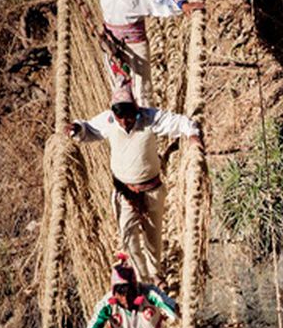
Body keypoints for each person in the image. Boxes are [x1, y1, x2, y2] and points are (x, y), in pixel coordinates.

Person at [66, 82, 203, 282]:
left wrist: (192, 135)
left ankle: (155, 274)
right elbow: (88, 129)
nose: (124, 122)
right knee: (128, 237)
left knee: (153, 238)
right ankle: (143, 278)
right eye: (120, 117)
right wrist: (76, 128)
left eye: (128, 117)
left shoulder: (149, 118)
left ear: (136, 110)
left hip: (151, 189)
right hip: (125, 193)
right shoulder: (109, 120)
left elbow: (179, 122)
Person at [65, 0, 205, 107]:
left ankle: (146, 127)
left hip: (135, 44)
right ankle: (123, 123)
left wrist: (183, 5)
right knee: (118, 87)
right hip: (111, 43)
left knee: (142, 89)